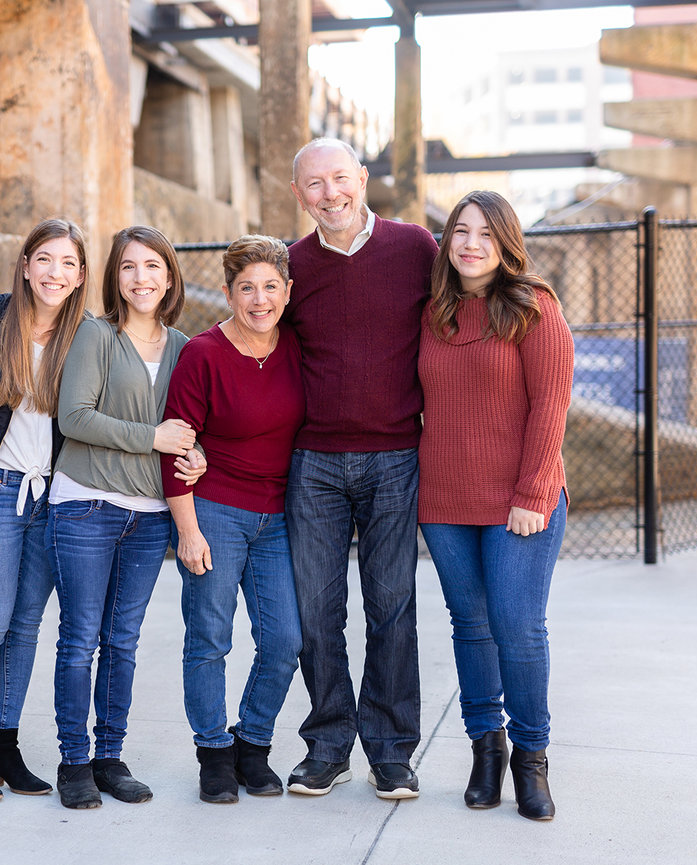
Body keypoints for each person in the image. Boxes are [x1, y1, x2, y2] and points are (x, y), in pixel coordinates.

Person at [282, 138, 438, 800]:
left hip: (395, 456)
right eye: (315, 184)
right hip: (313, 461)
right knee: (315, 611)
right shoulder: (290, 266)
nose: (331, 194)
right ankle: (327, 746)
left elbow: (460, 319)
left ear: (363, 178)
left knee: (391, 607)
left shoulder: (416, 248)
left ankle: (392, 752)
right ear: (299, 194)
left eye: (340, 178)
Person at [418, 190, 573, 821]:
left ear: (506, 242)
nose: (471, 244)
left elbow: (551, 405)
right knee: (471, 626)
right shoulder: (434, 312)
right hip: (444, 500)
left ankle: (531, 759)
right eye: (461, 231)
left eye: (486, 233)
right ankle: (486, 751)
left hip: (520, 502)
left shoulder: (533, 307)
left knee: (517, 626)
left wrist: (533, 493)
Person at [47, 225, 197, 810]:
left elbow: (190, 427)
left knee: (123, 642)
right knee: (80, 639)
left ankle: (109, 757)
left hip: (150, 516)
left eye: (153, 266)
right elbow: (74, 418)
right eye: (129, 267)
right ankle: (74, 761)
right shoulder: (96, 334)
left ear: (170, 277)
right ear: (115, 277)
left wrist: (196, 454)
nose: (141, 278)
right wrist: (152, 437)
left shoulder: (184, 346)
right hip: (86, 505)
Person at [0, 218, 90, 802]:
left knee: (26, 625)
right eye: (45, 259)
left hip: (53, 497)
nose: (56, 272)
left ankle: (3, 742)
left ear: (80, 276)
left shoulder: (83, 336)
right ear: (26, 265)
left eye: (69, 263)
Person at [162, 235, 305, 804]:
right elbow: (177, 446)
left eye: (270, 287)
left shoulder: (298, 348)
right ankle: (214, 753)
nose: (259, 299)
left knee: (285, 640)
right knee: (210, 637)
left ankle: (253, 742)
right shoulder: (203, 354)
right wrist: (188, 531)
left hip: (279, 518)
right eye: (247, 288)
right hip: (215, 512)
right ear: (228, 294)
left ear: (288, 291)